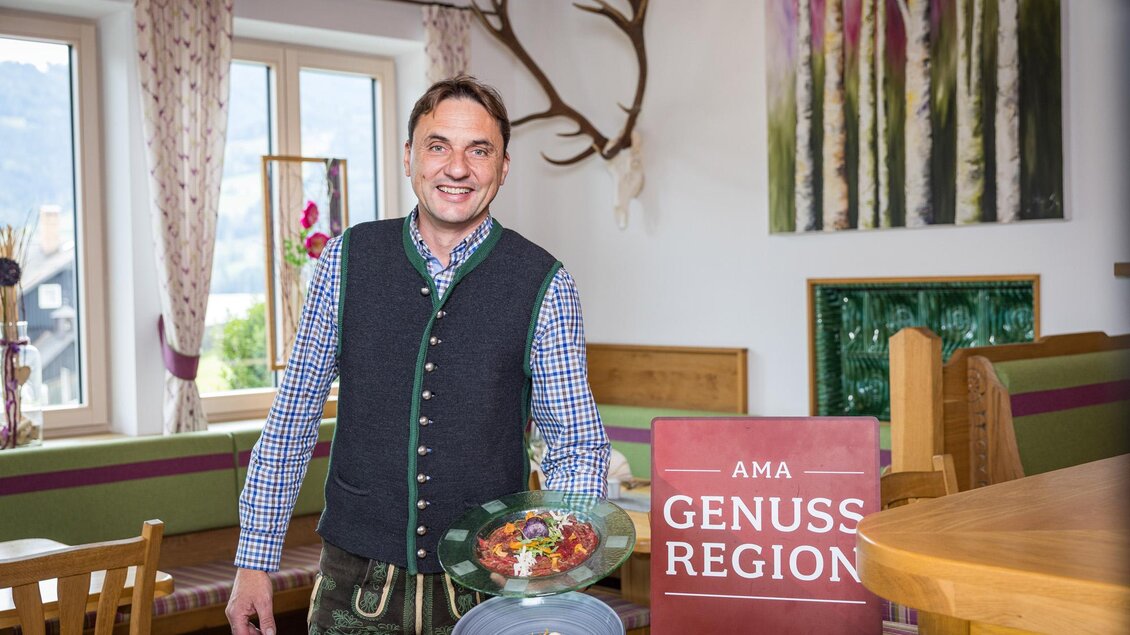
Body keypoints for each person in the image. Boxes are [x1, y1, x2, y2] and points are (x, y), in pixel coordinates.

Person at [226, 75, 610, 635]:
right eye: (438, 146)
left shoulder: (546, 284)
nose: (457, 168)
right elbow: (292, 419)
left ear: (504, 167)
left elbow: (575, 442)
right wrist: (254, 561)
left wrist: (551, 558)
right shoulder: (347, 260)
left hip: (487, 591)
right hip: (353, 584)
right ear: (409, 158)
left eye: (479, 150)